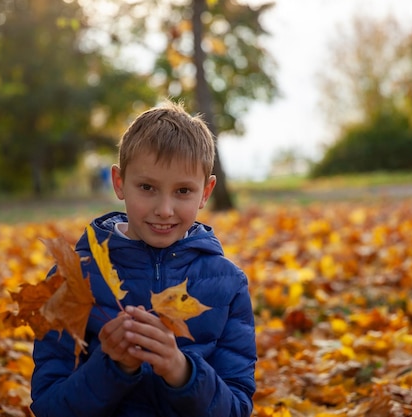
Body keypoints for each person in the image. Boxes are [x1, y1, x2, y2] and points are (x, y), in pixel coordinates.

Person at [30, 101, 256, 417]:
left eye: (183, 191)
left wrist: (182, 372)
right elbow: (49, 406)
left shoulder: (227, 284)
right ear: (120, 183)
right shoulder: (74, 278)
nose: (164, 209)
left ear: (206, 192)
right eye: (147, 187)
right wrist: (113, 366)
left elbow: (237, 409)